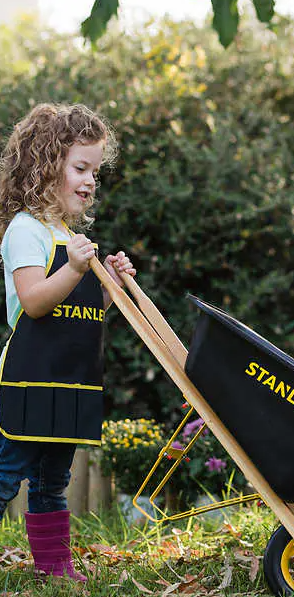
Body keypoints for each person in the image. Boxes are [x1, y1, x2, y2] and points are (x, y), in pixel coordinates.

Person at [0, 103, 135, 580]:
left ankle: (55, 569)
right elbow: (36, 301)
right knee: (5, 475)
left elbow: (83, 314)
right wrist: (76, 267)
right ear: (45, 164)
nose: (91, 180)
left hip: (70, 381)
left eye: (95, 171)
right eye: (81, 167)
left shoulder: (66, 234)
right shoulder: (26, 231)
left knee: (52, 481)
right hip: (29, 380)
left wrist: (110, 288)